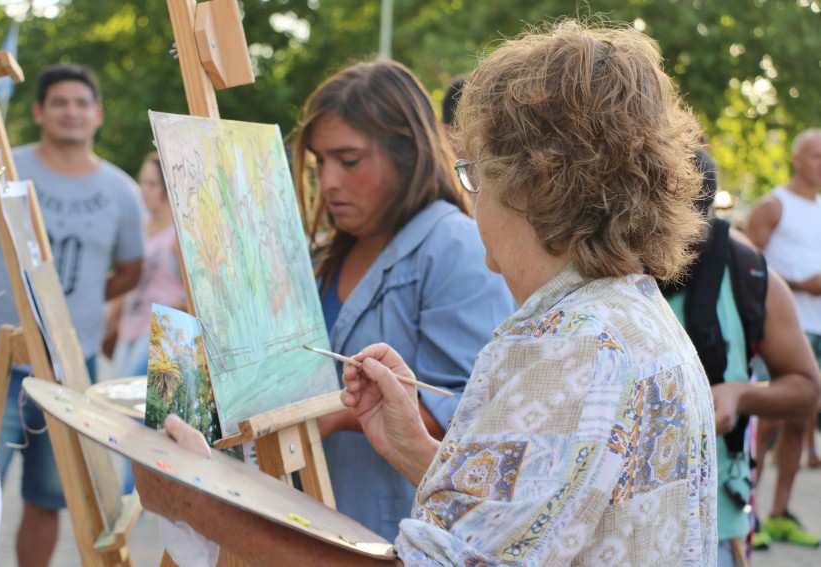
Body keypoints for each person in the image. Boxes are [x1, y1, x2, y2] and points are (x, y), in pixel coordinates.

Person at [135, 21, 718, 565]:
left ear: (534, 182)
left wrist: (199, 502)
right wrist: (414, 448)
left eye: (476, 176)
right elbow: (539, 512)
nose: (472, 199)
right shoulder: (632, 315)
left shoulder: (571, 345)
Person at [292, 60, 516, 541]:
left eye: (348, 160)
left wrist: (334, 414)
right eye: (319, 161)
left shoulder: (455, 247)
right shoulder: (326, 252)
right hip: (308, 521)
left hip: (395, 535)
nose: (327, 181)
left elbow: (471, 416)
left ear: (407, 155)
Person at [0, 63, 144, 567]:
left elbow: (129, 271)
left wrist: (71, 305)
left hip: (71, 366)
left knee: (48, 498)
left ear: (97, 114)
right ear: (39, 111)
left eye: (81, 103)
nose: (72, 111)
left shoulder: (120, 191)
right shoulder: (1, 171)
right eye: (60, 102)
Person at [659, 148, 821, 565]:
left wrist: (740, 395)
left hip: (713, 522)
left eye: (687, 233)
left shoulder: (746, 270)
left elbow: (808, 389)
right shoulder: (597, 264)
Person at [746, 128, 821, 548]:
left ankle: (779, 514)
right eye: (816, 155)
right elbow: (744, 265)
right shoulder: (774, 205)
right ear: (796, 159)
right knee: (766, 422)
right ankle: (747, 513)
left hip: (817, 328)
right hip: (778, 330)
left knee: (799, 422)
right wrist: (800, 285)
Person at [104, 151, 185, 379]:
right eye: (142, 182)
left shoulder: (179, 235)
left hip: (163, 328)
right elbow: (128, 277)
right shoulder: (138, 228)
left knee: (136, 389)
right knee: (118, 388)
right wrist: (111, 319)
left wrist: (176, 313)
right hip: (132, 322)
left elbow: (195, 289)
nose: (143, 190)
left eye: (151, 184)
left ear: (168, 187)